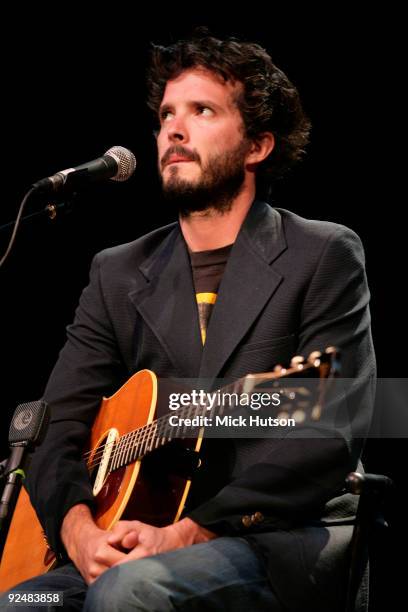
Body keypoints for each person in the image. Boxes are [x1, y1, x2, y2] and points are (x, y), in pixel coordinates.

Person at [0, 30, 375, 611]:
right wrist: (79, 534)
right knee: (24, 603)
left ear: (257, 146)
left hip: (274, 540)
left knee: (131, 590)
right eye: (167, 114)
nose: (173, 129)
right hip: (132, 536)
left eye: (202, 111)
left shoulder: (322, 254)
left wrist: (185, 533)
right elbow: (55, 428)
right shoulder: (118, 271)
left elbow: (331, 433)